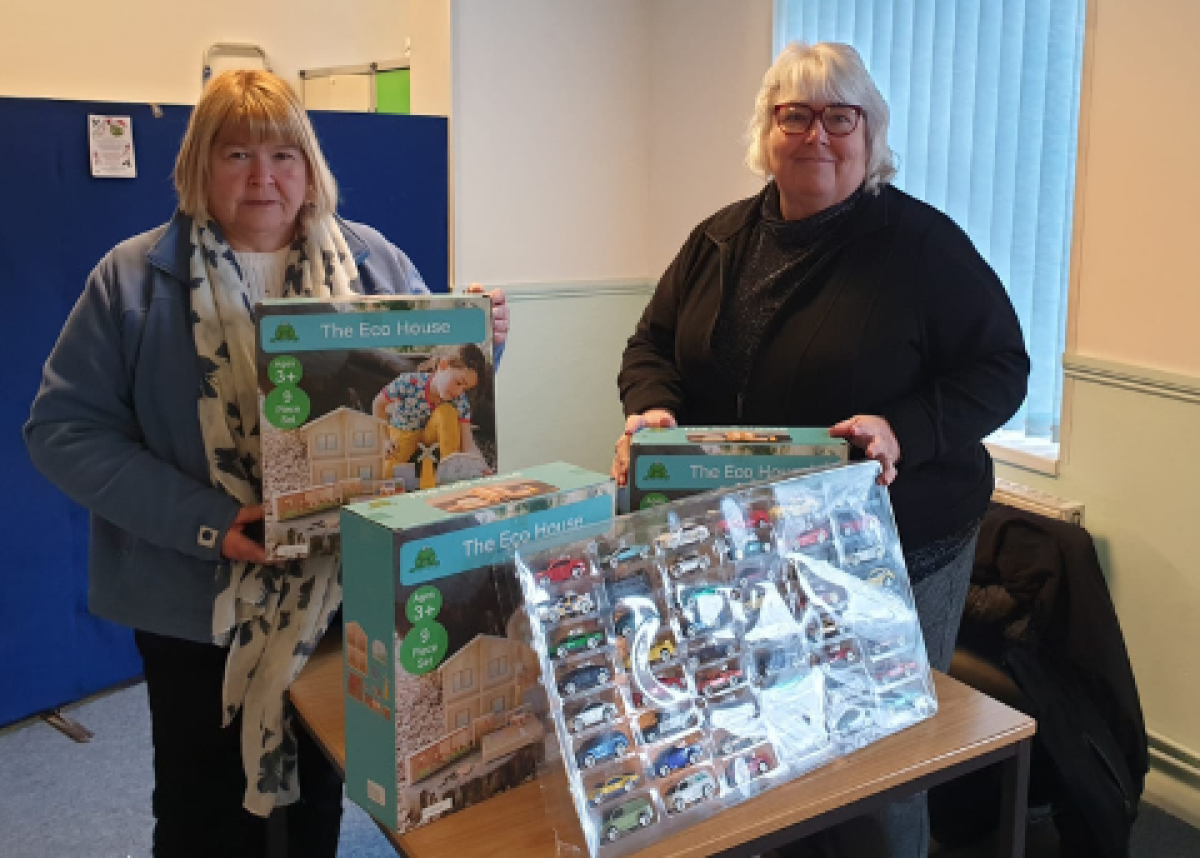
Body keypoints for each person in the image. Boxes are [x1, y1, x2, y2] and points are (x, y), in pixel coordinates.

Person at [24, 70, 509, 858]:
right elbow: (63, 430)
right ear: (198, 169)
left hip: (340, 594)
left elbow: (434, 405)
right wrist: (211, 523)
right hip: (197, 602)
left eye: (284, 154)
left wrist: (483, 346)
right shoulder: (132, 278)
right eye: (237, 154)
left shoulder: (375, 264)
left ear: (310, 166)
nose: (262, 177)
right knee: (197, 807)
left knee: (314, 801)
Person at [612, 41, 1029, 857]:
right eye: (793, 115)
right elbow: (650, 346)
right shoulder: (718, 240)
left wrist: (902, 425)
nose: (817, 136)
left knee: (876, 746)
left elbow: (1001, 368)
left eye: (841, 117)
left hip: (894, 541)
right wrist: (652, 410)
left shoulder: (923, 246)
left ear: (872, 134)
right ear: (767, 132)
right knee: (758, 720)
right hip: (742, 539)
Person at [373, 343, 490, 488]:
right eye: (459, 383)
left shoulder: (459, 400)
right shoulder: (409, 382)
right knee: (387, 473)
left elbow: (468, 442)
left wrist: (482, 466)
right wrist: (385, 439)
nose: (460, 392)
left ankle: (450, 472)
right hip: (404, 431)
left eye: (465, 388)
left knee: (447, 412)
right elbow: (378, 404)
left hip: (432, 433)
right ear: (443, 365)